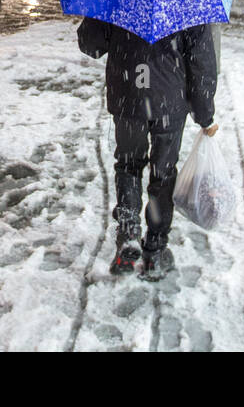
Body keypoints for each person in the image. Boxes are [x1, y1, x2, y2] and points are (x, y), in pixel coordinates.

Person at [77, 17, 218, 281]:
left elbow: (90, 45)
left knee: (129, 165)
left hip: (128, 97)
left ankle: (129, 231)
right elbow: (202, 62)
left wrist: (98, 18)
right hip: (169, 103)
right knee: (163, 173)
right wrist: (204, 113)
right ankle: (154, 249)